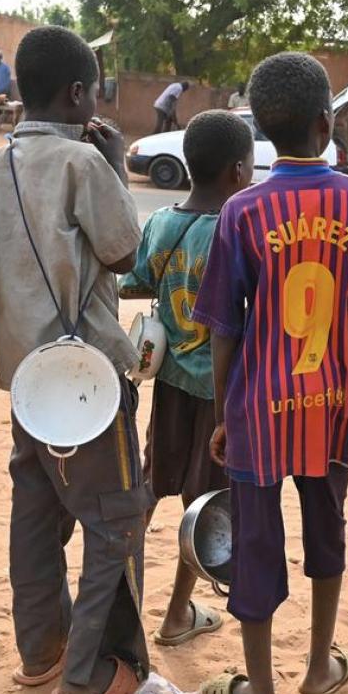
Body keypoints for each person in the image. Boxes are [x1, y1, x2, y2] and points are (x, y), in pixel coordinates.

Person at [193, 51, 348, 694]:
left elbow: (224, 328)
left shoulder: (243, 210)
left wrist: (225, 413)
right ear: (324, 124)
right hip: (330, 407)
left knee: (254, 545)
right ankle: (318, 668)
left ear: (260, 129)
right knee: (327, 530)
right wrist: (334, 370)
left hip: (256, 412)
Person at [0, 25, 150, 694]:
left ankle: (41, 650)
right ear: (79, 94)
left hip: (28, 382)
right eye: (97, 90)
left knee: (36, 511)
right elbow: (124, 252)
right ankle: (87, 674)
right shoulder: (84, 162)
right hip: (88, 381)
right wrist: (115, 164)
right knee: (116, 521)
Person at [117, 110, 254, 646]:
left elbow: (133, 282)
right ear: (239, 170)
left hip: (170, 383)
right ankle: (177, 613)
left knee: (153, 482)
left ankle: (120, 592)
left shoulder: (161, 223)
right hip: (220, 392)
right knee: (207, 504)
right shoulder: (237, 228)